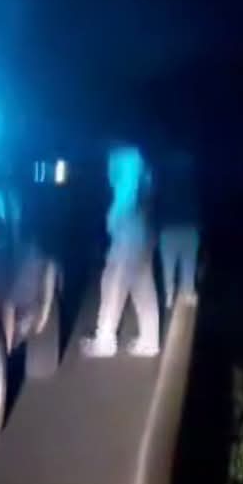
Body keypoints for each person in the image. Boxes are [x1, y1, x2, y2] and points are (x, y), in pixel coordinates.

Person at [81, 143, 160, 357]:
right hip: (144, 225)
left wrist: (113, 220)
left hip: (128, 226)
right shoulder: (141, 157)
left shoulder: (126, 156)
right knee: (142, 283)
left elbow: (126, 191)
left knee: (113, 282)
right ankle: (150, 341)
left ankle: (105, 342)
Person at [157, 148, 200, 307]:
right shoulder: (193, 183)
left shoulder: (164, 182)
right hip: (189, 227)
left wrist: (157, 227)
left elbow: (157, 205)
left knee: (168, 265)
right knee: (189, 263)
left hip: (168, 228)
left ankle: (169, 295)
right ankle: (188, 292)